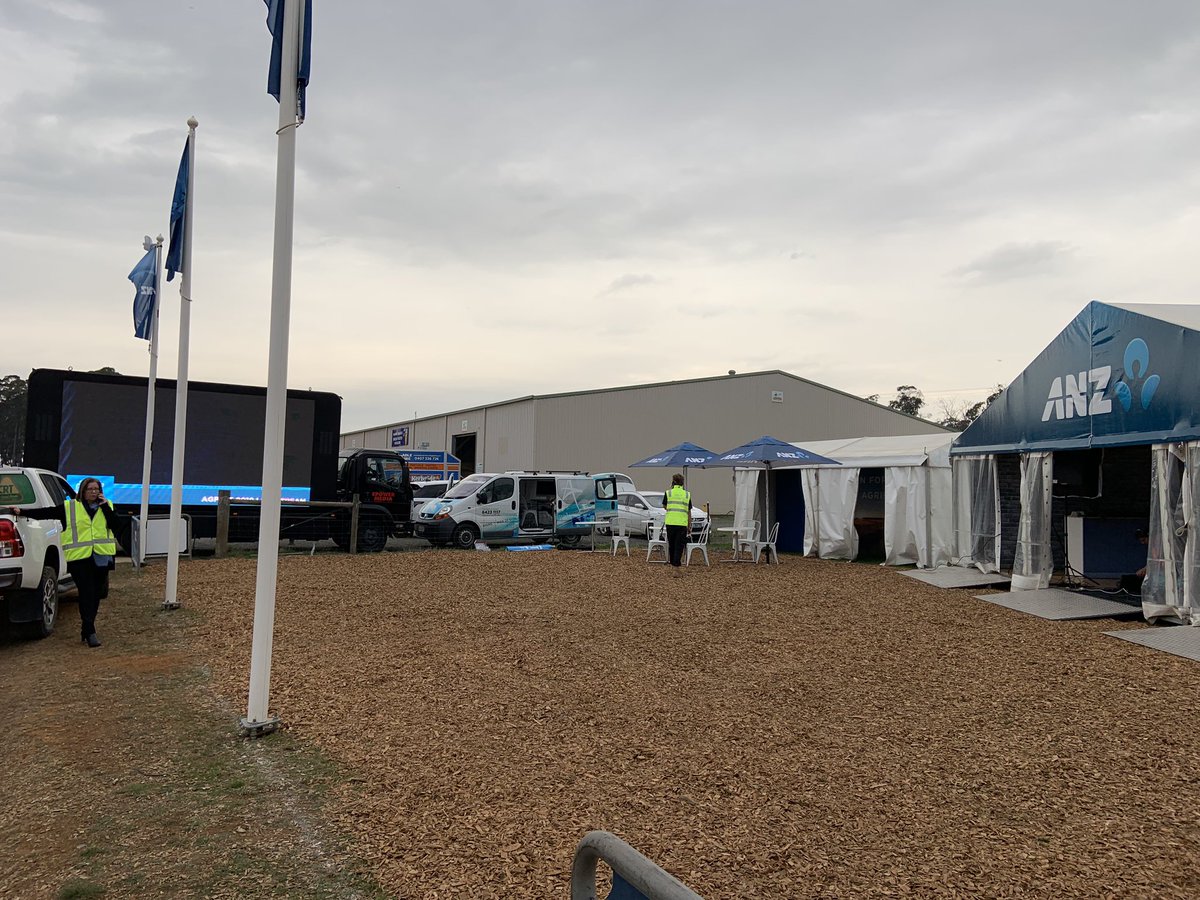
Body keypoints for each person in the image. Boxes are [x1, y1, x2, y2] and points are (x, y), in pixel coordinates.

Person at [10, 478, 125, 647]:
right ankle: (90, 630)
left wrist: (105, 507)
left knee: (96, 594)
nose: (94, 492)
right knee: (86, 593)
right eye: (90, 489)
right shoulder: (70, 507)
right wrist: (22, 511)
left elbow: (117, 524)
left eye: (97, 489)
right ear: (83, 491)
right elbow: (46, 513)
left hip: (101, 557)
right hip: (80, 558)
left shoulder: (107, 506)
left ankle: (87, 628)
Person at [662, 473, 692, 575]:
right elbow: (689, 512)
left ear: (673, 482)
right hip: (681, 523)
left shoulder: (668, 493)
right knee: (679, 546)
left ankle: (673, 566)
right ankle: (676, 568)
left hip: (670, 522)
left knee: (672, 545)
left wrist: (671, 508)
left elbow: (664, 506)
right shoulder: (687, 494)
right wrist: (689, 525)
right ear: (682, 483)